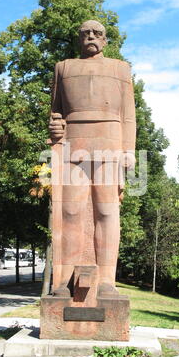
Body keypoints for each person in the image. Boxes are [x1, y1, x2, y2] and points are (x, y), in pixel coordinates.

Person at [49, 20, 136, 298]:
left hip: (110, 143)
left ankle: (107, 281)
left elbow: (129, 116)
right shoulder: (63, 68)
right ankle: (64, 281)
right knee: (71, 211)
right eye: (85, 33)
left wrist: (129, 150)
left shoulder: (120, 69)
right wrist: (55, 129)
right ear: (79, 39)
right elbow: (56, 113)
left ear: (106, 40)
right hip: (73, 144)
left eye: (97, 33)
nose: (90, 37)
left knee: (107, 211)